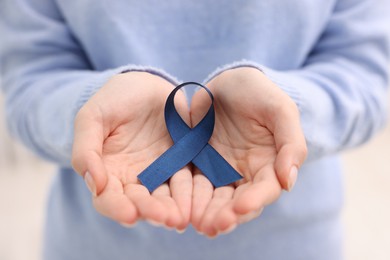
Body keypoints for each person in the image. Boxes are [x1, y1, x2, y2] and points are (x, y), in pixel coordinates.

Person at [1, 0, 389, 259]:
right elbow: (26, 80)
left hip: (292, 244)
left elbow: (370, 72)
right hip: (96, 244)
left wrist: (287, 109)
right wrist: (89, 110)